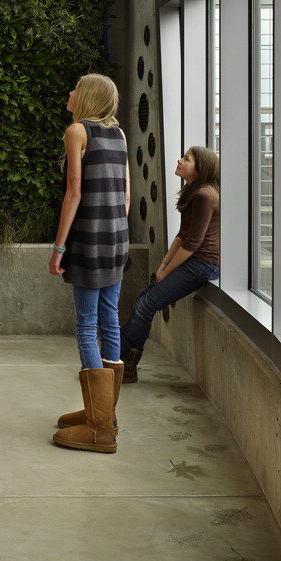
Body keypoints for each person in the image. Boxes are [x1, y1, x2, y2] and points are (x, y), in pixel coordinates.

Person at [49, 74, 130, 454]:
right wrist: (115, 232)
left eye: (75, 88)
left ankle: (99, 429)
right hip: (116, 238)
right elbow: (125, 197)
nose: (70, 92)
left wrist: (59, 247)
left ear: (88, 97)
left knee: (86, 324)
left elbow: (74, 193)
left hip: (89, 240)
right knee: (109, 319)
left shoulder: (77, 131)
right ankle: (104, 415)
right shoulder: (120, 134)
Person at [119, 145, 220, 383]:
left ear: (200, 168)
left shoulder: (205, 195)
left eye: (187, 159)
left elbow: (193, 244)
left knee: (146, 303)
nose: (179, 161)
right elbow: (182, 235)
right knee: (144, 301)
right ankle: (125, 365)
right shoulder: (194, 191)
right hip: (193, 260)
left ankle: (114, 358)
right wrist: (163, 265)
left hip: (203, 263)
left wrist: (166, 272)